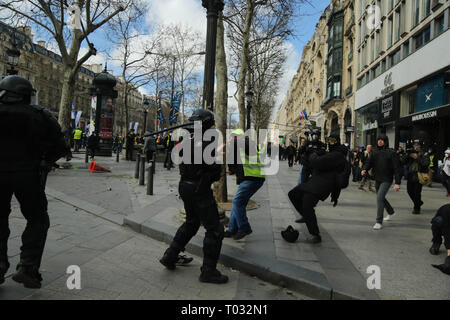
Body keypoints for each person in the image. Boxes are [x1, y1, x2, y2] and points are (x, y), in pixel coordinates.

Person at [0, 75, 68, 288]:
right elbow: (60, 147)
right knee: (38, 219)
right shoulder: (40, 116)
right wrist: (45, 161)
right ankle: (28, 267)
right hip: (28, 176)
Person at [159, 109, 228, 284]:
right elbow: (214, 173)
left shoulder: (186, 141)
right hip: (200, 189)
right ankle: (208, 271)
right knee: (215, 230)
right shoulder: (208, 144)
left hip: (185, 187)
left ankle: (170, 255)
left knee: (191, 222)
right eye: (211, 124)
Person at [288, 135, 347, 243]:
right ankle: (306, 216)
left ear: (337, 142)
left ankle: (315, 235)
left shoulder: (337, 155)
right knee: (293, 194)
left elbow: (317, 162)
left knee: (307, 205)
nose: (331, 142)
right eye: (329, 140)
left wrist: (315, 153)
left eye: (333, 140)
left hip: (322, 186)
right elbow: (311, 164)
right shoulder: (330, 153)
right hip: (314, 182)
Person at [224, 129, 266, 240]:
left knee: (237, 201)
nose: (233, 139)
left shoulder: (246, 143)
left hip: (252, 178)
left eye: (235, 137)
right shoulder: (244, 145)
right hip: (252, 178)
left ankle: (244, 228)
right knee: (238, 203)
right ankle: (232, 229)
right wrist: (232, 170)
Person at [361, 136, 401, 230]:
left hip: (387, 179)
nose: (379, 141)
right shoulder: (374, 152)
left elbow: (397, 168)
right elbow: (368, 162)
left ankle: (379, 221)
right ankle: (391, 212)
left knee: (379, 198)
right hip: (377, 178)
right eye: (378, 140)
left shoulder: (391, 153)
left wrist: (397, 182)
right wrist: (364, 169)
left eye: (382, 140)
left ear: (385, 141)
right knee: (381, 197)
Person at [401, 141, 430, 214]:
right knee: (409, 191)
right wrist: (407, 155)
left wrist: (417, 158)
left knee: (417, 192)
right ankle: (419, 202)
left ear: (420, 146)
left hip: (419, 175)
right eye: (415, 145)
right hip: (410, 175)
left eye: (418, 145)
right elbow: (402, 161)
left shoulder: (424, 154)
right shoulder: (410, 153)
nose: (416, 147)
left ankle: (416, 208)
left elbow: (426, 164)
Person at [429, 204, 450, 275]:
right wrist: (449, 253)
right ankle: (436, 242)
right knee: (438, 221)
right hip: (442, 224)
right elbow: (447, 233)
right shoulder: (447, 210)